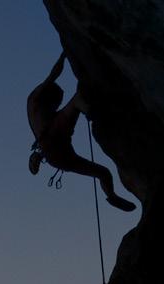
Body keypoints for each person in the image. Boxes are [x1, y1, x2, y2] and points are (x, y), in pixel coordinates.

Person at [27, 52, 136, 212]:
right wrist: (63, 57)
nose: (57, 107)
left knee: (103, 173)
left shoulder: (37, 115)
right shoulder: (36, 99)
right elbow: (54, 74)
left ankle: (111, 196)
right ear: (50, 96)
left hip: (57, 158)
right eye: (56, 103)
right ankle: (91, 111)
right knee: (78, 98)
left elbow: (48, 142)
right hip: (54, 140)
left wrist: (39, 155)